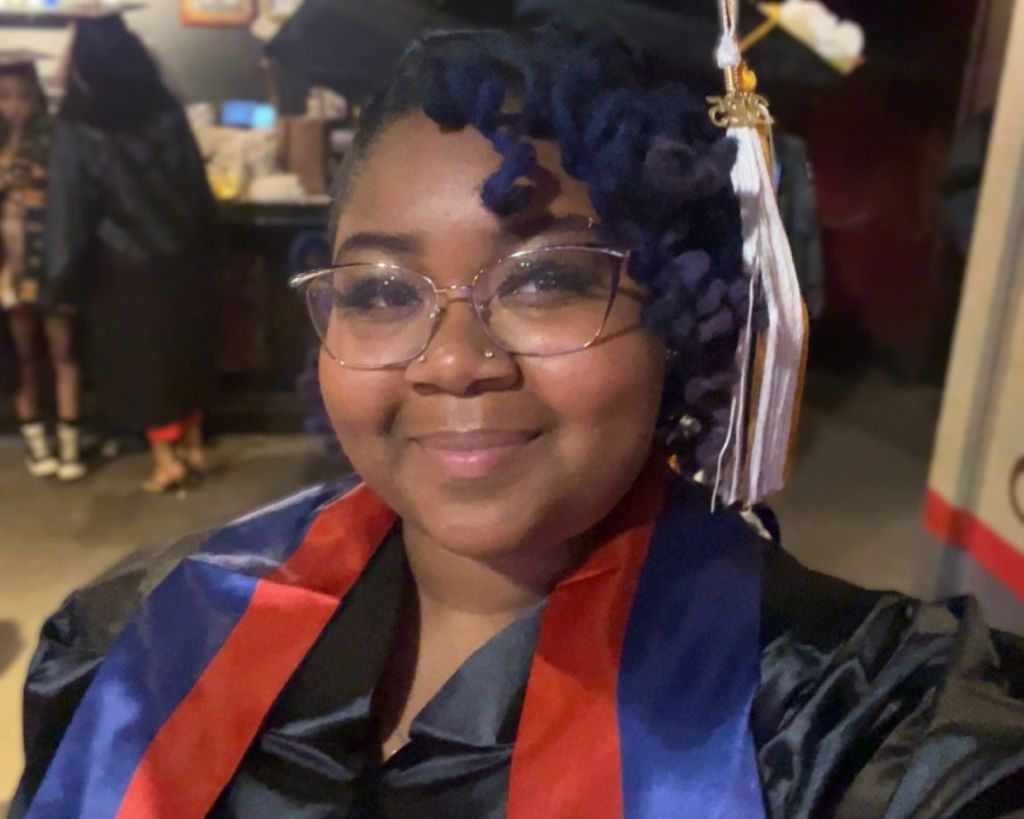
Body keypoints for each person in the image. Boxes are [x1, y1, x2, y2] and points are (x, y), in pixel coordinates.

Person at [12, 26, 1024, 819]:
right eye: (377, 292)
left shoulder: (854, 719)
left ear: (677, 319)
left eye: (546, 281)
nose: (454, 362)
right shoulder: (137, 634)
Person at [45, 14, 217, 493]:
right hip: (182, 254)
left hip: (121, 265)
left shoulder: (80, 124)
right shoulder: (165, 109)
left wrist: (58, 278)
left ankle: (167, 462)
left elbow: (69, 205)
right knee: (184, 351)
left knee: (140, 364)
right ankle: (193, 444)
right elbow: (196, 186)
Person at [0, 54, 85, 480]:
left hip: (50, 260)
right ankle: (37, 444)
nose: (13, 105)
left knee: (63, 352)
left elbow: (70, 201)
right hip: (7, 268)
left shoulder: (54, 139)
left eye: (20, 94)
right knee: (22, 356)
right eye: (3, 96)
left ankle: (70, 446)